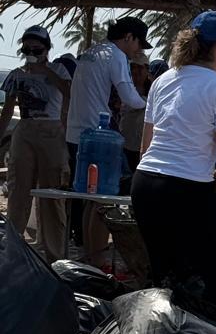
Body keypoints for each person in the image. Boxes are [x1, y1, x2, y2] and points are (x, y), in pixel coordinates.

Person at [132, 10, 216, 318]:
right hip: (186, 186)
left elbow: (146, 146)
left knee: (165, 274)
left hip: (146, 184)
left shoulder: (163, 80)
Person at [66, 15, 153, 266]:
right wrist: (151, 105)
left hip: (76, 134)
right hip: (98, 137)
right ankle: (100, 260)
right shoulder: (115, 55)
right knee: (105, 201)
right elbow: (129, 96)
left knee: (90, 200)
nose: (137, 51)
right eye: (138, 44)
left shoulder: (90, 52)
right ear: (128, 37)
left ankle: (91, 257)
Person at [0, 25, 72, 261]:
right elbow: (8, 110)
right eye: (27, 48)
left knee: (51, 194)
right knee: (18, 190)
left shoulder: (59, 69)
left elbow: (69, 94)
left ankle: (54, 254)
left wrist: (43, 69)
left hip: (52, 131)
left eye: (37, 48)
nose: (31, 52)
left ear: (47, 49)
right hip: (26, 130)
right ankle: (13, 249)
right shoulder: (17, 74)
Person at [119, 51, 151, 174]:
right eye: (133, 67)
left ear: (147, 70)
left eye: (140, 67)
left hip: (142, 147)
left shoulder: (152, 90)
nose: (136, 71)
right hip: (124, 144)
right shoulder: (124, 87)